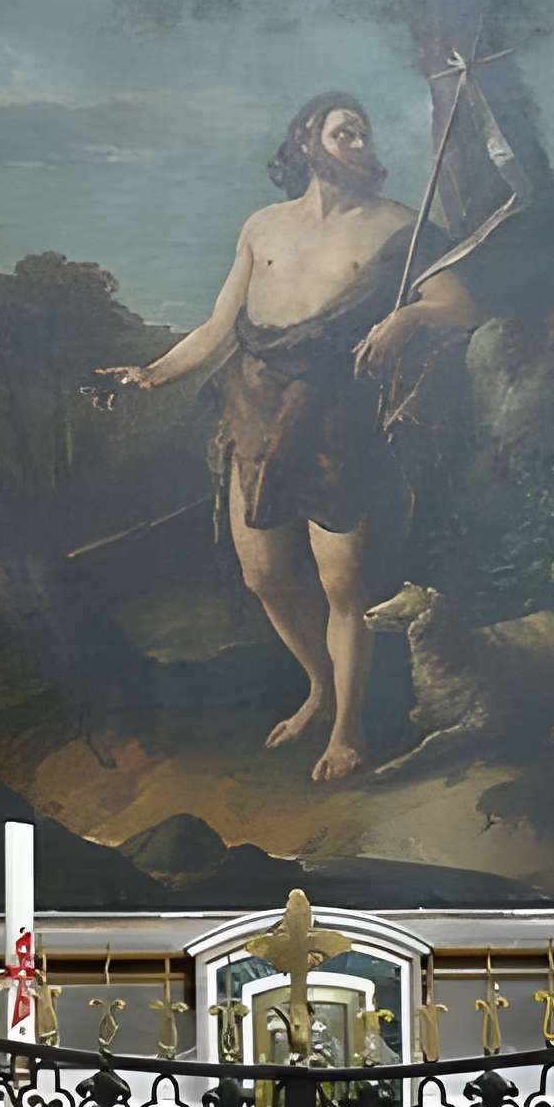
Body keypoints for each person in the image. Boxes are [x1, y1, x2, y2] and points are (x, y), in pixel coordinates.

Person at [97, 93, 476, 781]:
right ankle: (318, 687)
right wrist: (150, 374)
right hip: (252, 407)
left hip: (336, 411)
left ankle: (347, 729)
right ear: (307, 141)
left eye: (363, 133)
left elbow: (460, 303)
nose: (357, 144)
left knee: (344, 584)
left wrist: (407, 318)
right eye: (343, 132)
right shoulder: (263, 227)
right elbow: (218, 329)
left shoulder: (400, 227)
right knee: (265, 576)